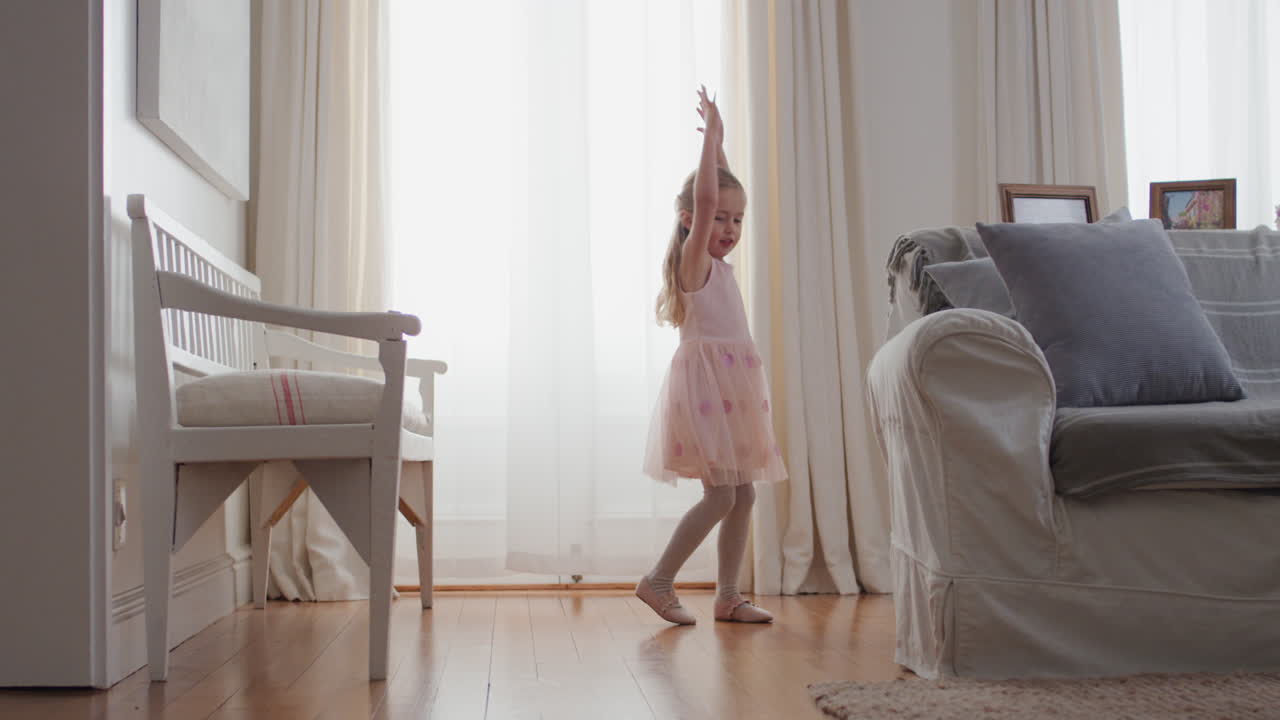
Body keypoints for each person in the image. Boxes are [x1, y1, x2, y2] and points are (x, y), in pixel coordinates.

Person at [636, 86, 787, 625]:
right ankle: (657, 581)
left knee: (743, 496)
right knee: (722, 496)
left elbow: (716, 192)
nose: (728, 229)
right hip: (707, 394)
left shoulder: (717, 266)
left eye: (737, 220)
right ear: (689, 220)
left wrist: (720, 146)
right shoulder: (693, 262)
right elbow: (706, 198)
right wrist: (710, 148)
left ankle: (728, 596)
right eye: (718, 219)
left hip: (734, 389)